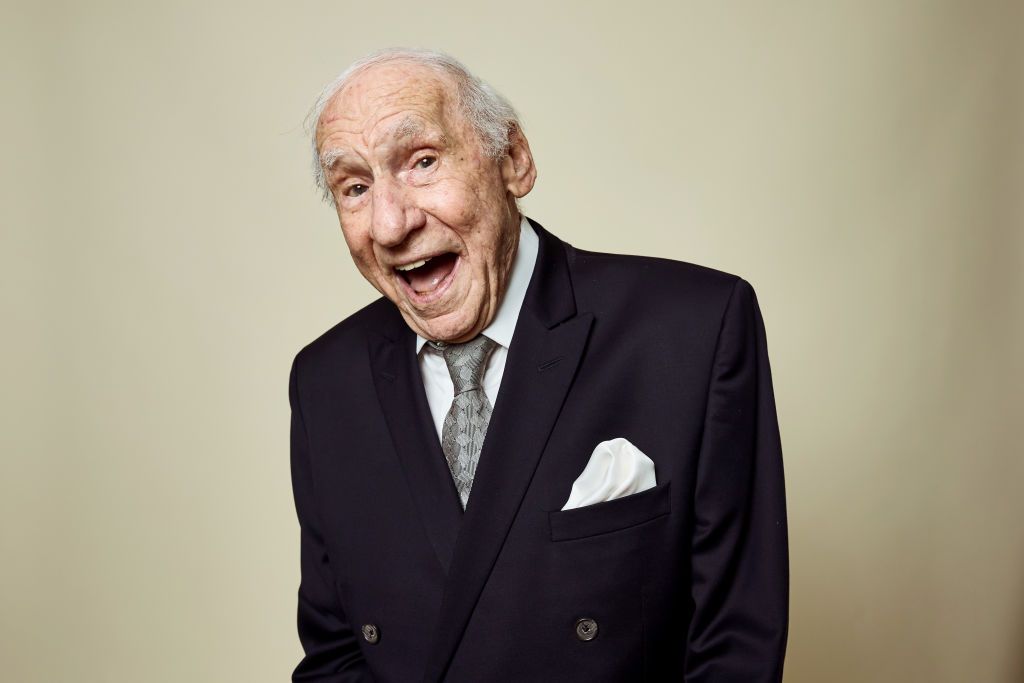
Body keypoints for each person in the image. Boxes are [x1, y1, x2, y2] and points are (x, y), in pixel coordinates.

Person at [288, 47, 788, 682]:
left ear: (514, 160)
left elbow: (734, 648)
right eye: (355, 187)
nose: (390, 224)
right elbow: (337, 657)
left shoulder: (694, 328)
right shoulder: (325, 381)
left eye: (422, 162)